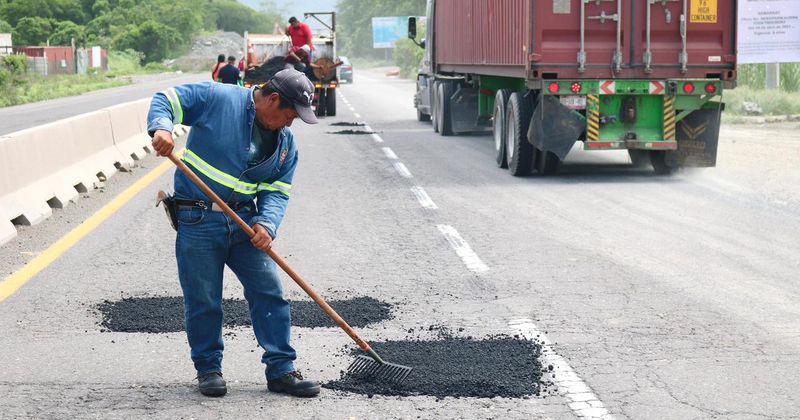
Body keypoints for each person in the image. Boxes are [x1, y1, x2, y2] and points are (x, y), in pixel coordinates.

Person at [147, 69, 321, 398]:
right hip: (198, 219)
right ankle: (208, 369)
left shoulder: (285, 145)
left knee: (269, 291)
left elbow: (277, 191)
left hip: (244, 223)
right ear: (272, 99)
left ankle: (282, 370)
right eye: (289, 114)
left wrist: (266, 225)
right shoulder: (219, 99)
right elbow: (167, 100)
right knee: (204, 299)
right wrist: (162, 128)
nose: (290, 123)